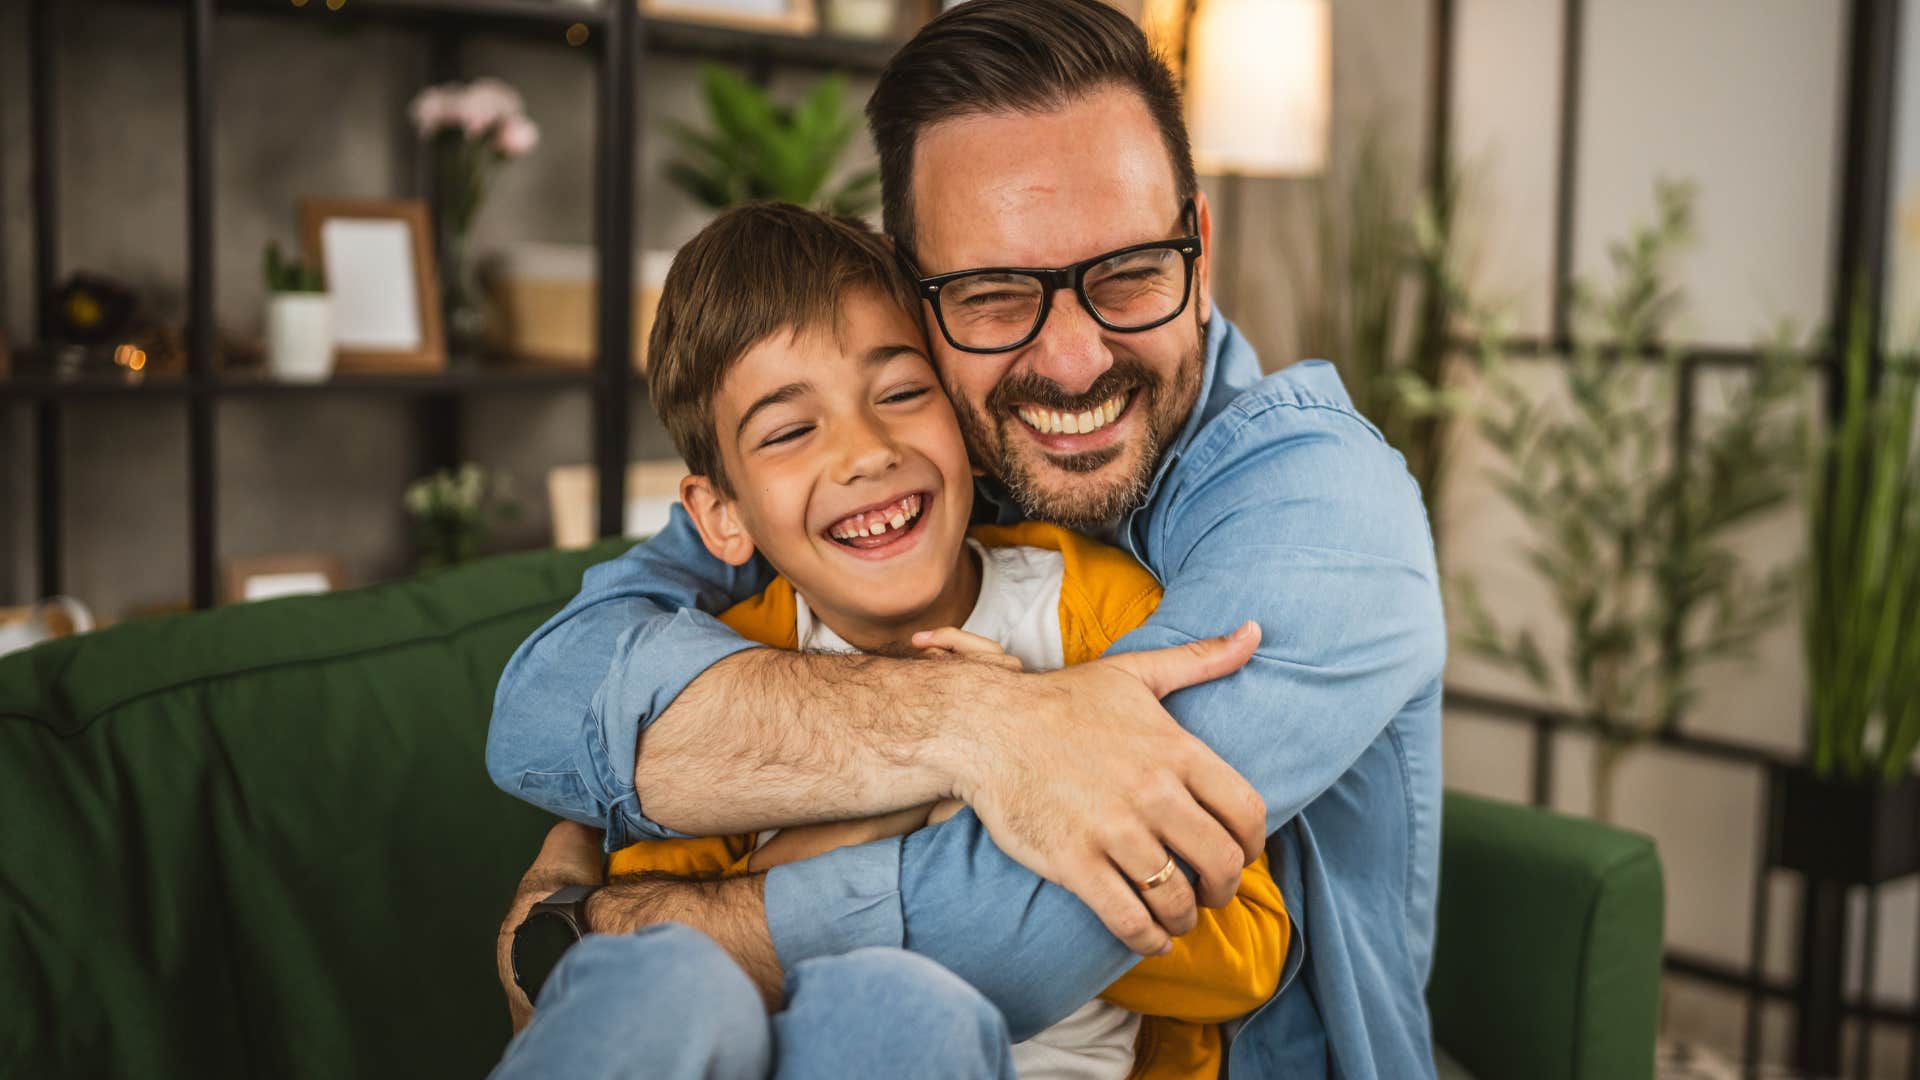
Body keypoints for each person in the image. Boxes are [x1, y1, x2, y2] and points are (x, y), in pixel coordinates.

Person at [488, 1, 1446, 1075]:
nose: (1077, 361)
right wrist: (980, 723)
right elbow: (546, 708)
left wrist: (655, 917)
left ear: (1200, 247)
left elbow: (1033, 931)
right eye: (995, 294)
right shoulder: (910, 461)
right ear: (918, 294)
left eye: (1129, 272)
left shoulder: (1324, 511)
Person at [496, 201, 1289, 1078]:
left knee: (895, 998)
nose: (865, 452)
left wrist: (1010, 809)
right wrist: (935, 774)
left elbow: (1248, 951)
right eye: (791, 430)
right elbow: (649, 923)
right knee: (662, 981)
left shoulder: (1098, 616)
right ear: (722, 517)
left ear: (966, 420)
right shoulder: (719, 679)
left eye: (903, 394)